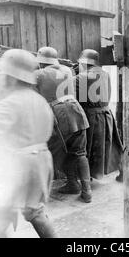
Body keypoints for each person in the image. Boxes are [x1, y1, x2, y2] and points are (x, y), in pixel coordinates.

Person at [0, 49, 57, 238]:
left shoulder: (10, 103)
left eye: (3, 74)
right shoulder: (40, 100)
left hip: (19, 165)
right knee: (36, 212)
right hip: (42, 160)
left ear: (12, 78)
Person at [35, 47, 92, 203]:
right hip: (76, 110)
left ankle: (41, 193)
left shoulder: (39, 74)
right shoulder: (67, 69)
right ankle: (85, 191)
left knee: (53, 152)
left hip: (58, 114)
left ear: (41, 61)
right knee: (79, 153)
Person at [75, 49, 123, 181]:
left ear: (84, 63)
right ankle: (123, 172)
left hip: (91, 115)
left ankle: (87, 177)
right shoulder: (105, 74)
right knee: (112, 145)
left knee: (88, 146)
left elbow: (77, 98)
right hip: (106, 112)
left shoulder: (80, 77)